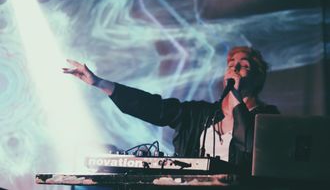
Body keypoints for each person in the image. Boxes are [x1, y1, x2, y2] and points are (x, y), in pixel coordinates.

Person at [63, 46, 279, 175]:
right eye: (231, 63)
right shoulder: (199, 114)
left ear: (258, 77)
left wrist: (235, 96)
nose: (235, 67)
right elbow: (152, 107)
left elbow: (250, 144)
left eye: (244, 65)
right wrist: (100, 83)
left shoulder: (267, 117)